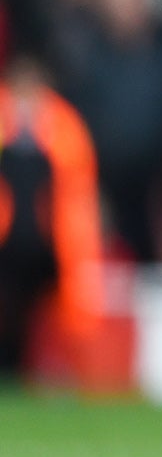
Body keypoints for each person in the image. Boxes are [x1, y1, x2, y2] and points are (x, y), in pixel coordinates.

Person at [0, 58, 105, 381]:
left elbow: (79, 185)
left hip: (50, 242)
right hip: (9, 240)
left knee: (57, 311)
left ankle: (51, 371)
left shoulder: (63, 125)